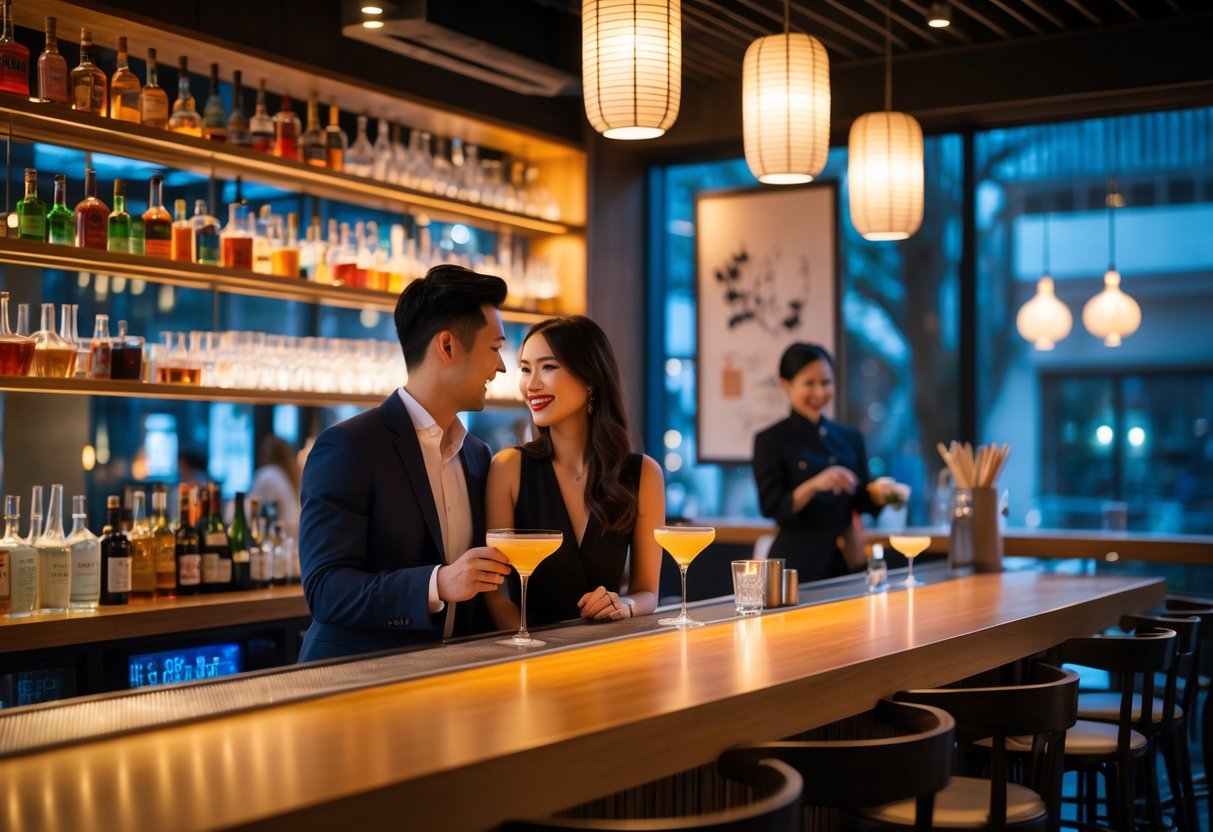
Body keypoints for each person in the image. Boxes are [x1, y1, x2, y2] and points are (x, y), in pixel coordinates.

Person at [297, 264, 513, 662]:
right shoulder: (349, 446)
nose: (500, 367)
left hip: (450, 679)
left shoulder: (478, 455)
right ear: (447, 347)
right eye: (495, 348)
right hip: (356, 680)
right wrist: (438, 583)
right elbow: (326, 590)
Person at [485, 316, 664, 627]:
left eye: (548, 367)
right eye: (525, 369)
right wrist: (531, 643)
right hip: (527, 648)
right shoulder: (508, 468)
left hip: (605, 646)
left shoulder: (643, 473)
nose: (531, 384)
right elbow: (495, 596)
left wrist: (623, 605)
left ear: (590, 376)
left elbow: (647, 591)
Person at [752, 343, 902, 582]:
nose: (820, 393)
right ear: (786, 385)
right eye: (809, 383)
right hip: (797, 565)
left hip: (849, 560)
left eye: (826, 382)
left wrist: (882, 495)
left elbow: (861, 502)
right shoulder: (771, 439)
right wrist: (815, 484)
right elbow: (772, 506)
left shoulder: (850, 437)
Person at [249, 434, 301, 543]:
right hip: (293, 538)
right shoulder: (286, 475)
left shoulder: (267, 475)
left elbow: (251, 510)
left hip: (279, 540)